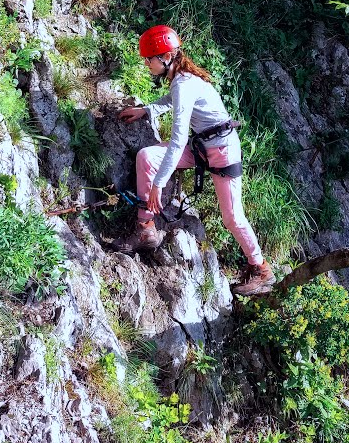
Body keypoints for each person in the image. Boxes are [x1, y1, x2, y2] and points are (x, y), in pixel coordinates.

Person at [113, 24, 275, 296]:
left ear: (165, 57)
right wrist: (146, 110)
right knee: (146, 157)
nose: (146, 64)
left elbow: (177, 141)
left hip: (222, 151)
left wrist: (158, 185)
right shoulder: (181, 80)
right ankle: (146, 229)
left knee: (232, 217)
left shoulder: (184, 84)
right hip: (203, 147)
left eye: (149, 59)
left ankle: (261, 269)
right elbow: (171, 100)